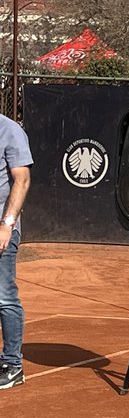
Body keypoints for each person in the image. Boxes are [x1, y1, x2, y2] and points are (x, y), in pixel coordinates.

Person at [0, 114, 32, 392]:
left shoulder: (9, 130)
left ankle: (12, 364)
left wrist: (6, 225)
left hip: (1, 229)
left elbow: (21, 180)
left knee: (3, 296)